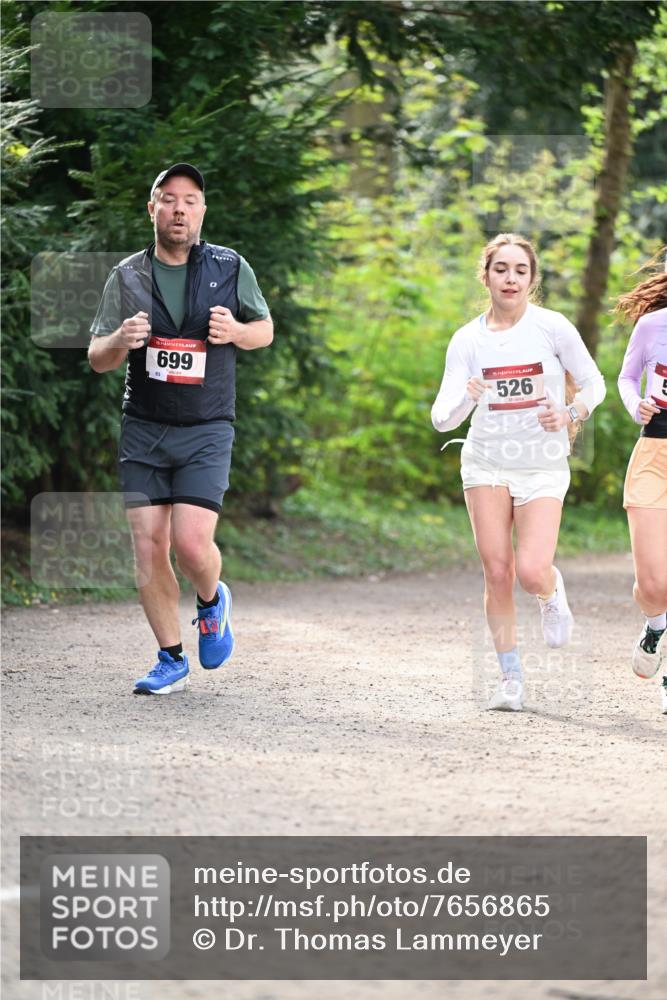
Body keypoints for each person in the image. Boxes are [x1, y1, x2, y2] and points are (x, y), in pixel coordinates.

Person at [88, 163, 273, 694]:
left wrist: (237, 331)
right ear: (152, 208)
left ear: (202, 210)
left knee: (191, 546)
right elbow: (97, 357)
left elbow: (265, 329)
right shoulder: (126, 276)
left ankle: (213, 601)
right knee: (148, 547)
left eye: (190, 200)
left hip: (206, 427)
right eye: (168, 199)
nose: (179, 209)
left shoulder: (229, 266)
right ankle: (170, 658)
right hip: (144, 428)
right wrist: (121, 338)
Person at [431, 233, 605, 711]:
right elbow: (441, 417)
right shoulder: (467, 339)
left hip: (543, 464)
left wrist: (571, 414)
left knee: (530, 571)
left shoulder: (552, 328)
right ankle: (510, 679)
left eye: (520, 270)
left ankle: (550, 591)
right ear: (485, 276)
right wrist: (468, 395)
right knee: (498, 572)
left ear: (532, 278)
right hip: (486, 462)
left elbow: (595, 383)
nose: (510, 278)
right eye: (501, 269)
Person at [616, 250, 667, 713]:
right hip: (655, 452)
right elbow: (627, 378)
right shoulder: (652, 326)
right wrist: (636, 406)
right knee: (653, 584)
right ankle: (656, 626)